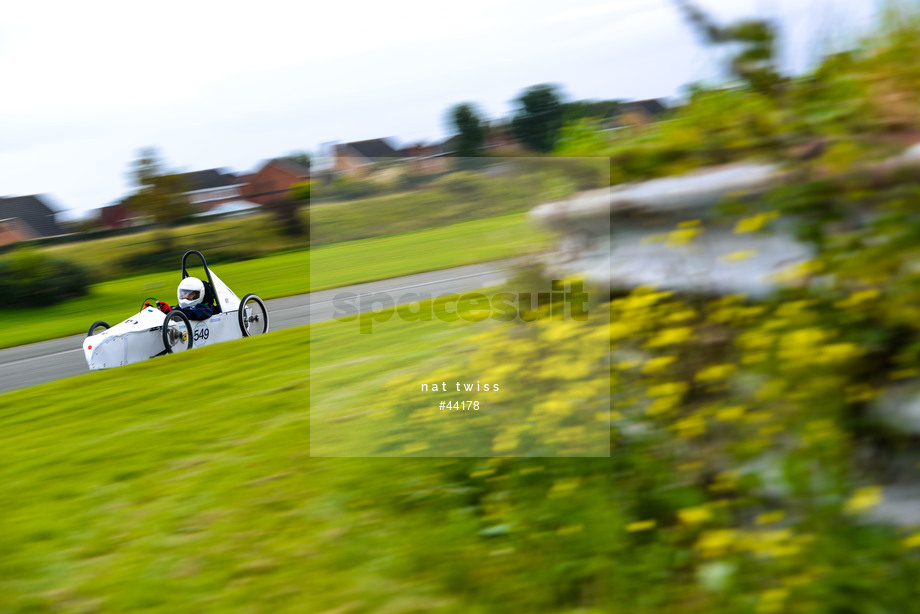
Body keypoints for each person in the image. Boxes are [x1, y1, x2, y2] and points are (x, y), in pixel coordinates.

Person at [149, 276, 214, 320]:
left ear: (199, 294)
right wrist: (153, 311)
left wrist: (171, 312)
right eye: (184, 293)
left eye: (190, 293)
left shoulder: (205, 309)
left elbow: (193, 313)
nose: (185, 296)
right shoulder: (180, 308)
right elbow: (175, 309)